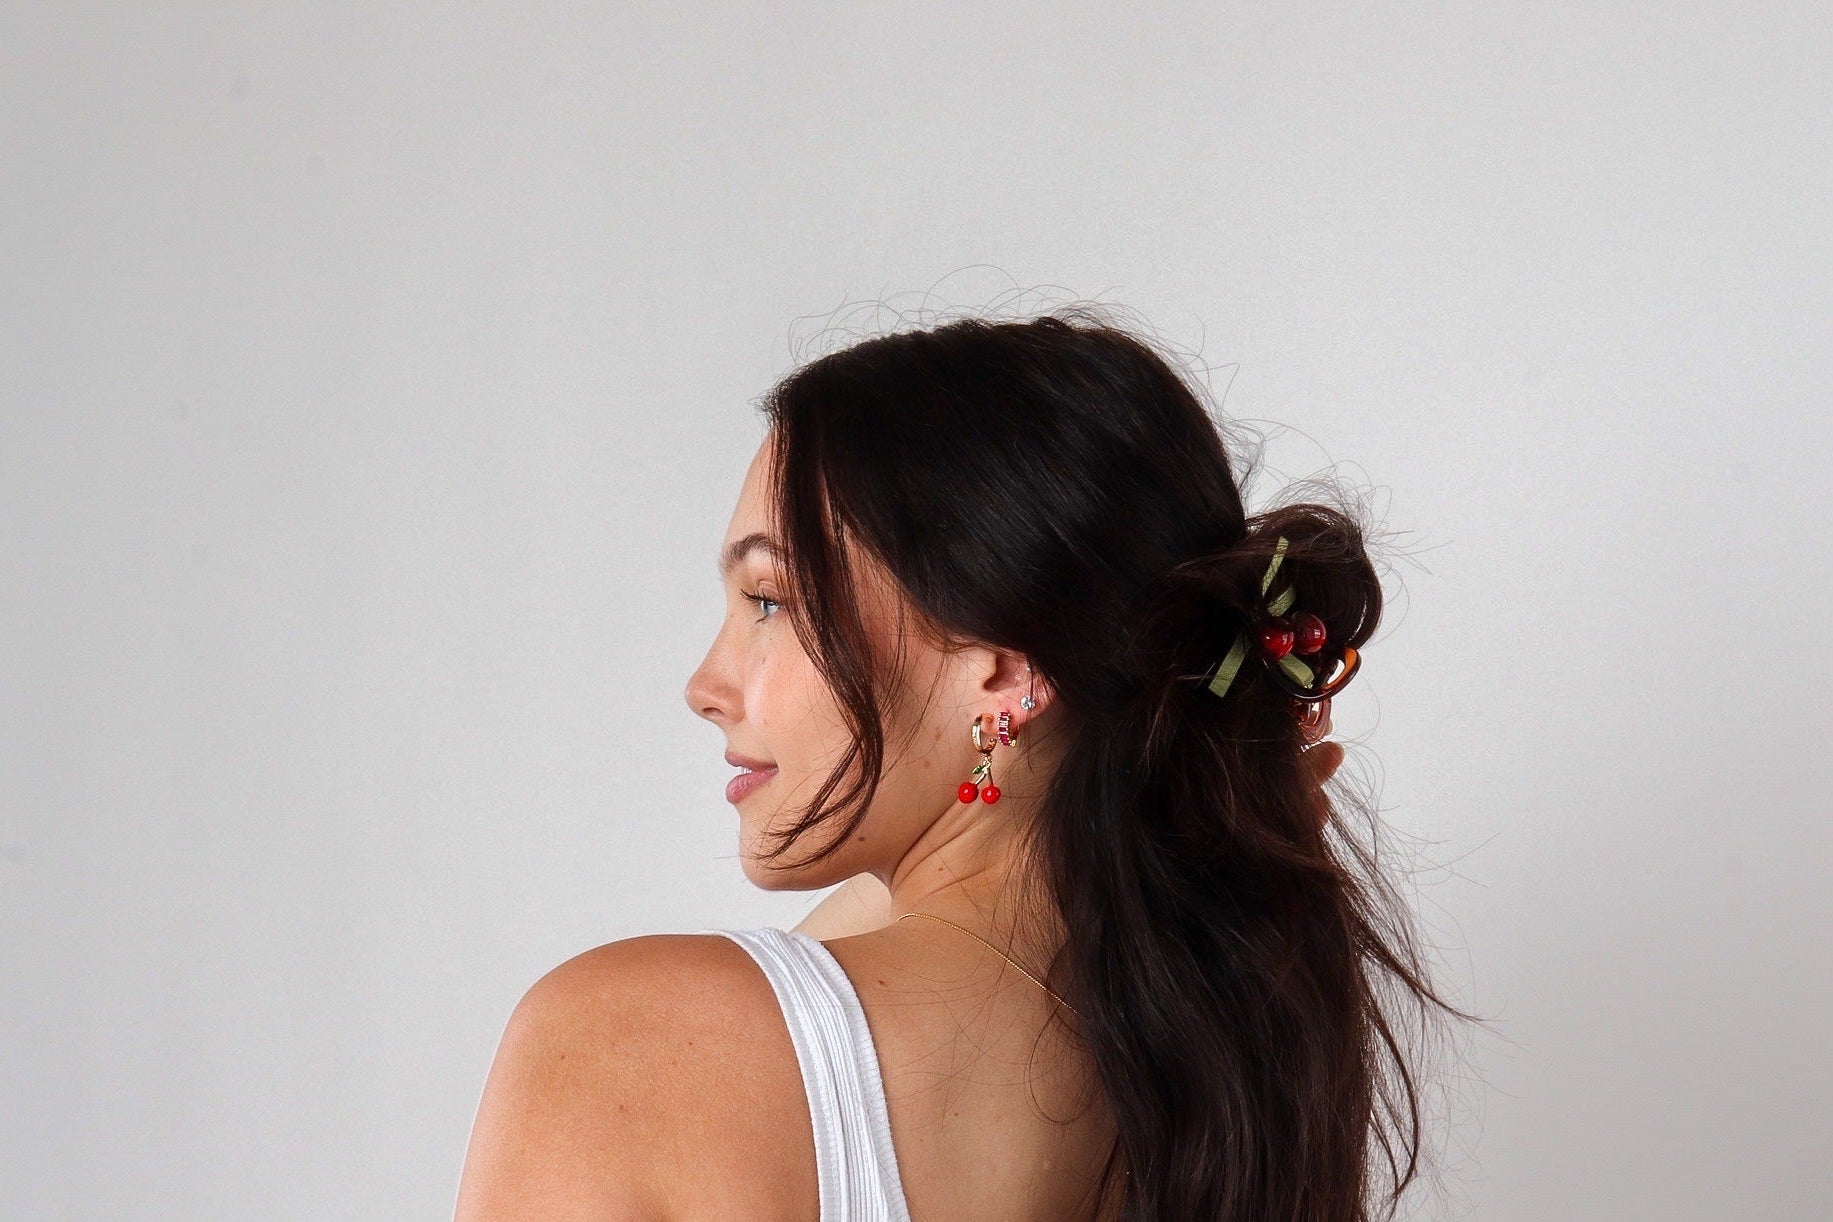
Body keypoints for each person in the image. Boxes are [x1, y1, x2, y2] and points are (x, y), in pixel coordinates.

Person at [454, 308, 1471, 1221]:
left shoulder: (632, 1044)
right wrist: (1206, 808)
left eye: (771, 601)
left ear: (1005, 672)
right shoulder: (1230, 1066)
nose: (706, 684)